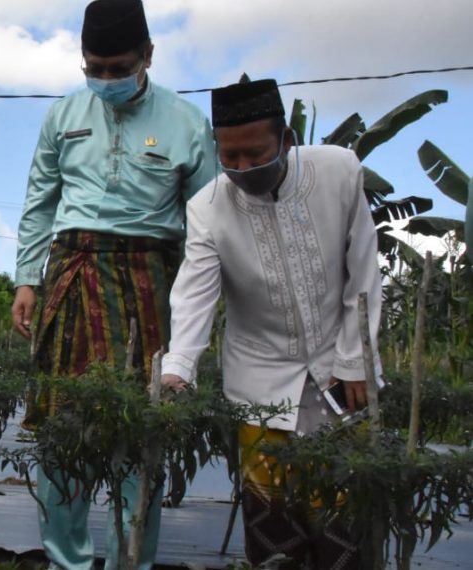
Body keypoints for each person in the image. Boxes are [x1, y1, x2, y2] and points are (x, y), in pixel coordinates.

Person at [8, 0, 217, 567]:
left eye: (118, 68)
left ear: (148, 56)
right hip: (70, 271)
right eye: (94, 69)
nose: (105, 80)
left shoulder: (187, 123)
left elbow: (208, 222)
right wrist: (27, 279)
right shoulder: (62, 115)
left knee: (137, 427)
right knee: (62, 425)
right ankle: (65, 560)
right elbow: (38, 203)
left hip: (148, 280)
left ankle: (131, 561)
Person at [160, 78, 380, 569]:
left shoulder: (339, 172)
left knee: (344, 513)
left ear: (286, 140)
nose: (242, 168)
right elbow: (195, 292)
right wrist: (179, 367)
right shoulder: (207, 208)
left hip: (342, 371)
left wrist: (355, 360)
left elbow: (363, 273)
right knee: (270, 520)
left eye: (255, 154)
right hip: (259, 379)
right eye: (229, 157)